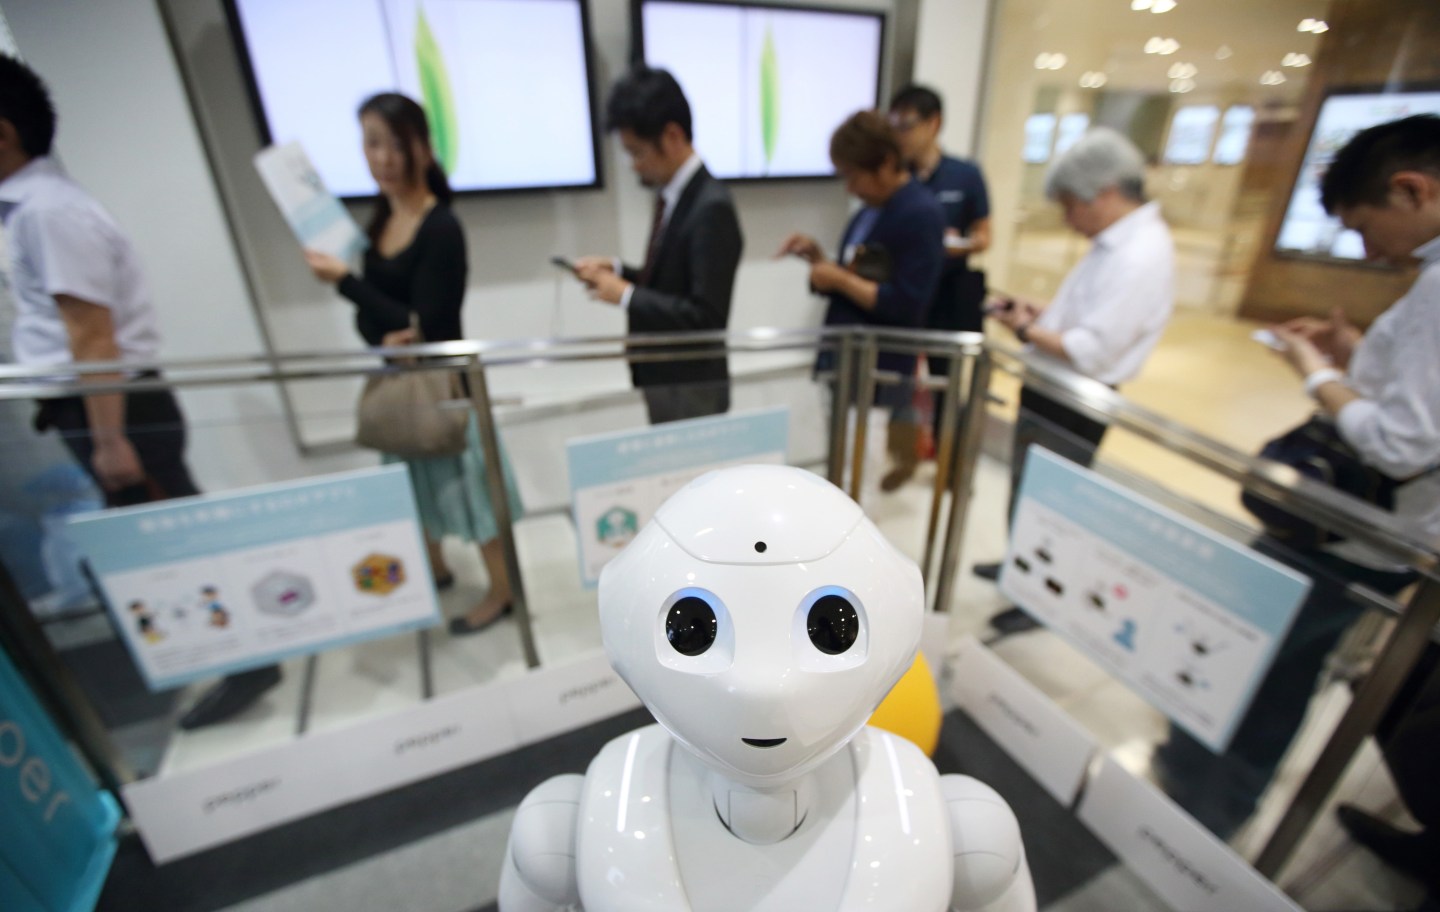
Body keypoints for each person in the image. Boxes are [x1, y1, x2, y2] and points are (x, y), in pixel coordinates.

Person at [1155, 114, 1440, 848]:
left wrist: (1315, 373)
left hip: (1356, 532)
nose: (1366, 247)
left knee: (1248, 655)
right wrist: (1357, 355)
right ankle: (1222, 803)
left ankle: (1198, 795)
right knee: (1287, 671)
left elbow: (1402, 442)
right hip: (1381, 536)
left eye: (1365, 223)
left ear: (1412, 190)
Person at [0, 54, 280, 728]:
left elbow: (92, 336)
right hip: (107, 408)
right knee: (158, 549)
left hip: (117, 410)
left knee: (172, 545)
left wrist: (110, 437)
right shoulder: (36, 208)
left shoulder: (47, 213)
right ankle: (223, 657)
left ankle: (248, 661)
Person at [303, 93, 522, 636]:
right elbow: (376, 323)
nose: (381, 157)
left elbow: (426, 321)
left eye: (392, 144)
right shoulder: (378, 222)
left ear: (422, 148)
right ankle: (440, 568)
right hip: (399, 386)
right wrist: (379, 322)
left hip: (445, 389)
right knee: (416, 488)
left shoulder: (440, 226)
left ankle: (503, 592)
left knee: (472, 496)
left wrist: (349, 285)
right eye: (371, 143)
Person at [976, 127, 1174, 634]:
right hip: (1051, 388)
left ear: (1104, 192)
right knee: (1029, 493)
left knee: (1055, 507)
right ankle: (1022, 571)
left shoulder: (1140, 253)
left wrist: (1025, 328)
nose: (1068, 219)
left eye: (1070, 205)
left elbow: (1092, 349)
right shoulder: (1112, 246)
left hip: (1077, 399)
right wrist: (1039, 316)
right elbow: (1083, 321)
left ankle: (1040, 599)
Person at [778, 111, 945, 489]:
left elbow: (907, 302)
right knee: (842, 468)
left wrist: (836, 276)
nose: (849, 188)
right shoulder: (871, 211)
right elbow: (859, 276)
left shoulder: (921, 213)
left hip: (878, 370)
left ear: (885, 163)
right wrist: (820, 260)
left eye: (853, 176)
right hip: (845, 360)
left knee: (861, 475)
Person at [573, 67, 743, 425]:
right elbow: (672, 281)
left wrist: (625, 294)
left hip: (692, 387)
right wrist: (619, 272)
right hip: (667, 381)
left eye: (637, 153)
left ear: (672, 136)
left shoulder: (711, 206)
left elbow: (705, 316)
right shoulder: (675, 196)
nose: (634, 167)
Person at [886, 84, 992, 490]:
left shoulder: (965, 175)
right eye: (893, 126)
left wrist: (951, 244)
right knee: (900, 384)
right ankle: (904, 460)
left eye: (907, 125)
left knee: (949, 387)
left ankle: (950, 466)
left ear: (934, 124)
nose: (901, 135)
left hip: (950, 296)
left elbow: (984, 237)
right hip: (909, 295)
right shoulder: (898, 178)